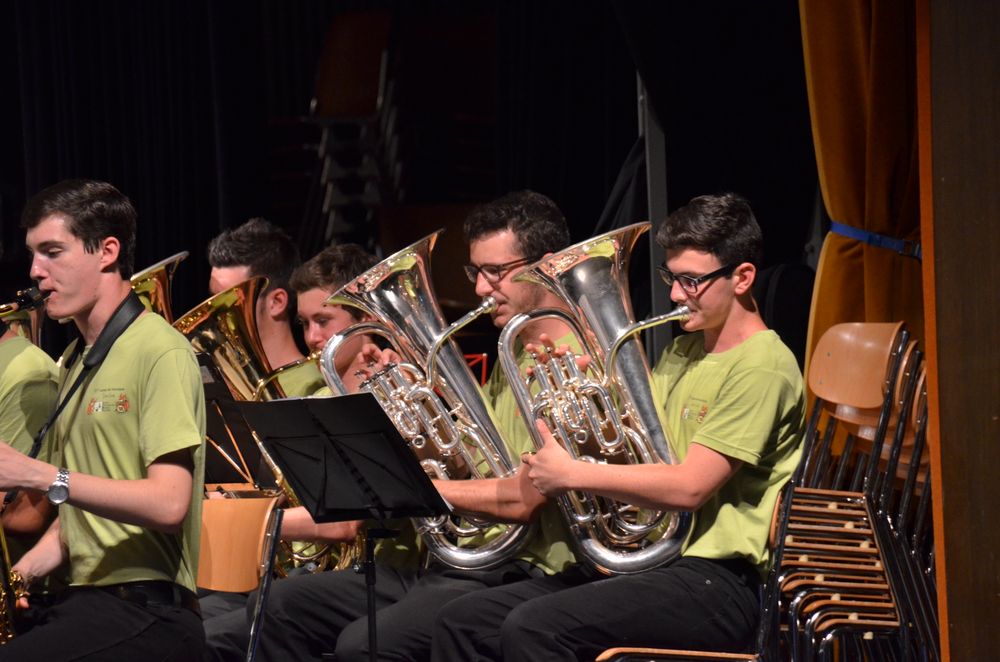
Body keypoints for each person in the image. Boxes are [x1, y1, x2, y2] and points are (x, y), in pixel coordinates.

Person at [431, 192, 806, 660]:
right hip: (659, 560)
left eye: (691, 281)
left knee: (536, 628)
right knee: (462, 622)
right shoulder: (682, 352)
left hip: (717, 579)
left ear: (743, 277)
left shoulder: (762, 364)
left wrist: (573, 473)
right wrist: (577, 409)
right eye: (671, 278)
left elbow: (690, 486)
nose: (675, 295)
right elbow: (639, 449)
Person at [209, 190, 578, 662]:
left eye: (495, 271)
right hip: (468, 558)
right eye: (476, 273)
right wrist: (414, 427)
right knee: (280, 605)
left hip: (518, 564)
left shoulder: (562, 364)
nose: (481, 289)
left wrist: (416, 484)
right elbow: (474, 465)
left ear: (544, 264)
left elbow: (519, 498)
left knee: (364, 643)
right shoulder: (512, 359)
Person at [0, 179, 206, 660]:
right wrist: (18, 578)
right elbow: (80, 521)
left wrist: (38, 474)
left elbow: (170, 503)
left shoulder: (160, 349)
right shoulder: (74, 360)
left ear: (107, 252)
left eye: (53, 252)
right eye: (33, 255)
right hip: (85, 601)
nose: (35, 271)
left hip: (150, 611)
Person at [207, 218, 323, 396]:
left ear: (276, 302)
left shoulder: (316, 388)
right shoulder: (224, 385)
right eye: (212, 300)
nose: (212, 314)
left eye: (229, 300)